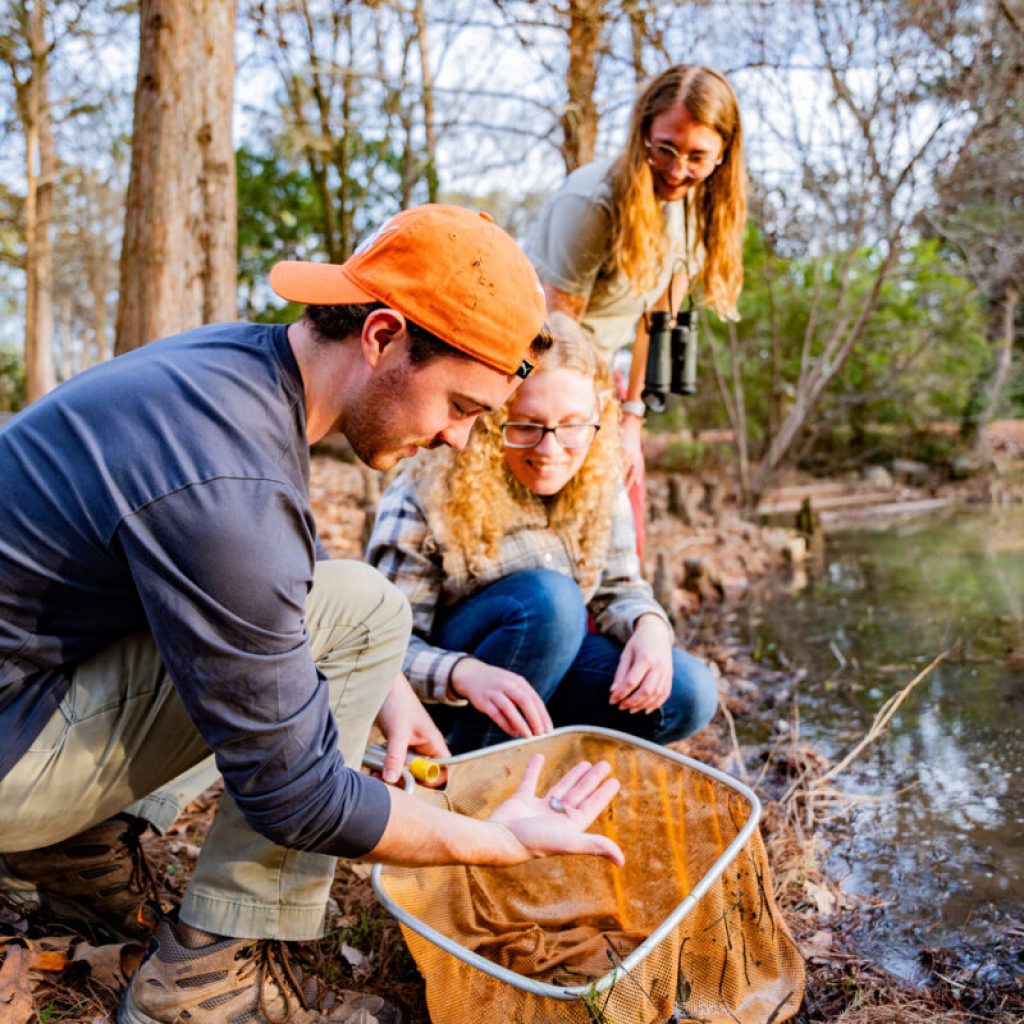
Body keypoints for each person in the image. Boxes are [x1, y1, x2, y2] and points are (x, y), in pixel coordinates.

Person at [0, 205, 627, 1024]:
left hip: (25, 690)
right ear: (381, 336)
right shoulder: (234, 485)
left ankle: (70, 851)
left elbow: (253, 583)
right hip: (13, 752)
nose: (460, 442)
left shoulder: (232, 370)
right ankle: (202, 985)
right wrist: (497, 841)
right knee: (364, 606)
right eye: (464, 407)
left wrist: (384, 684)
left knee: (352, 612)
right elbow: (297, 797)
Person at [366, 313, 718, 756]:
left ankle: (548, 757)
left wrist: (649, 627)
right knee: (552, 601)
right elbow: (382, 648)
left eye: (572, 426)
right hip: (455, 695)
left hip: (551, 679)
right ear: (494, 421)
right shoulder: (425, 489)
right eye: (527, 425)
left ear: (599, 416)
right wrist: (463, 674)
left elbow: (620, 589)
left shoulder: (601, 475)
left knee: (689, 691)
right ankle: (479, 775)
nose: (550, 451)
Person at [523, 64, 747, 556]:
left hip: (607, 380)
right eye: (664, 148)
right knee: (567, 531)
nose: (676, 169)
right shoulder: (594, 204)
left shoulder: (695, 210)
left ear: (722, 155)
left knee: (625, 527)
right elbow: (558, 337)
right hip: (540, 377)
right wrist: (584, 425)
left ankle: (624, 624)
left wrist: (631, 419)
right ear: (642, 131)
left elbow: (657, 320)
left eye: (696, 156)